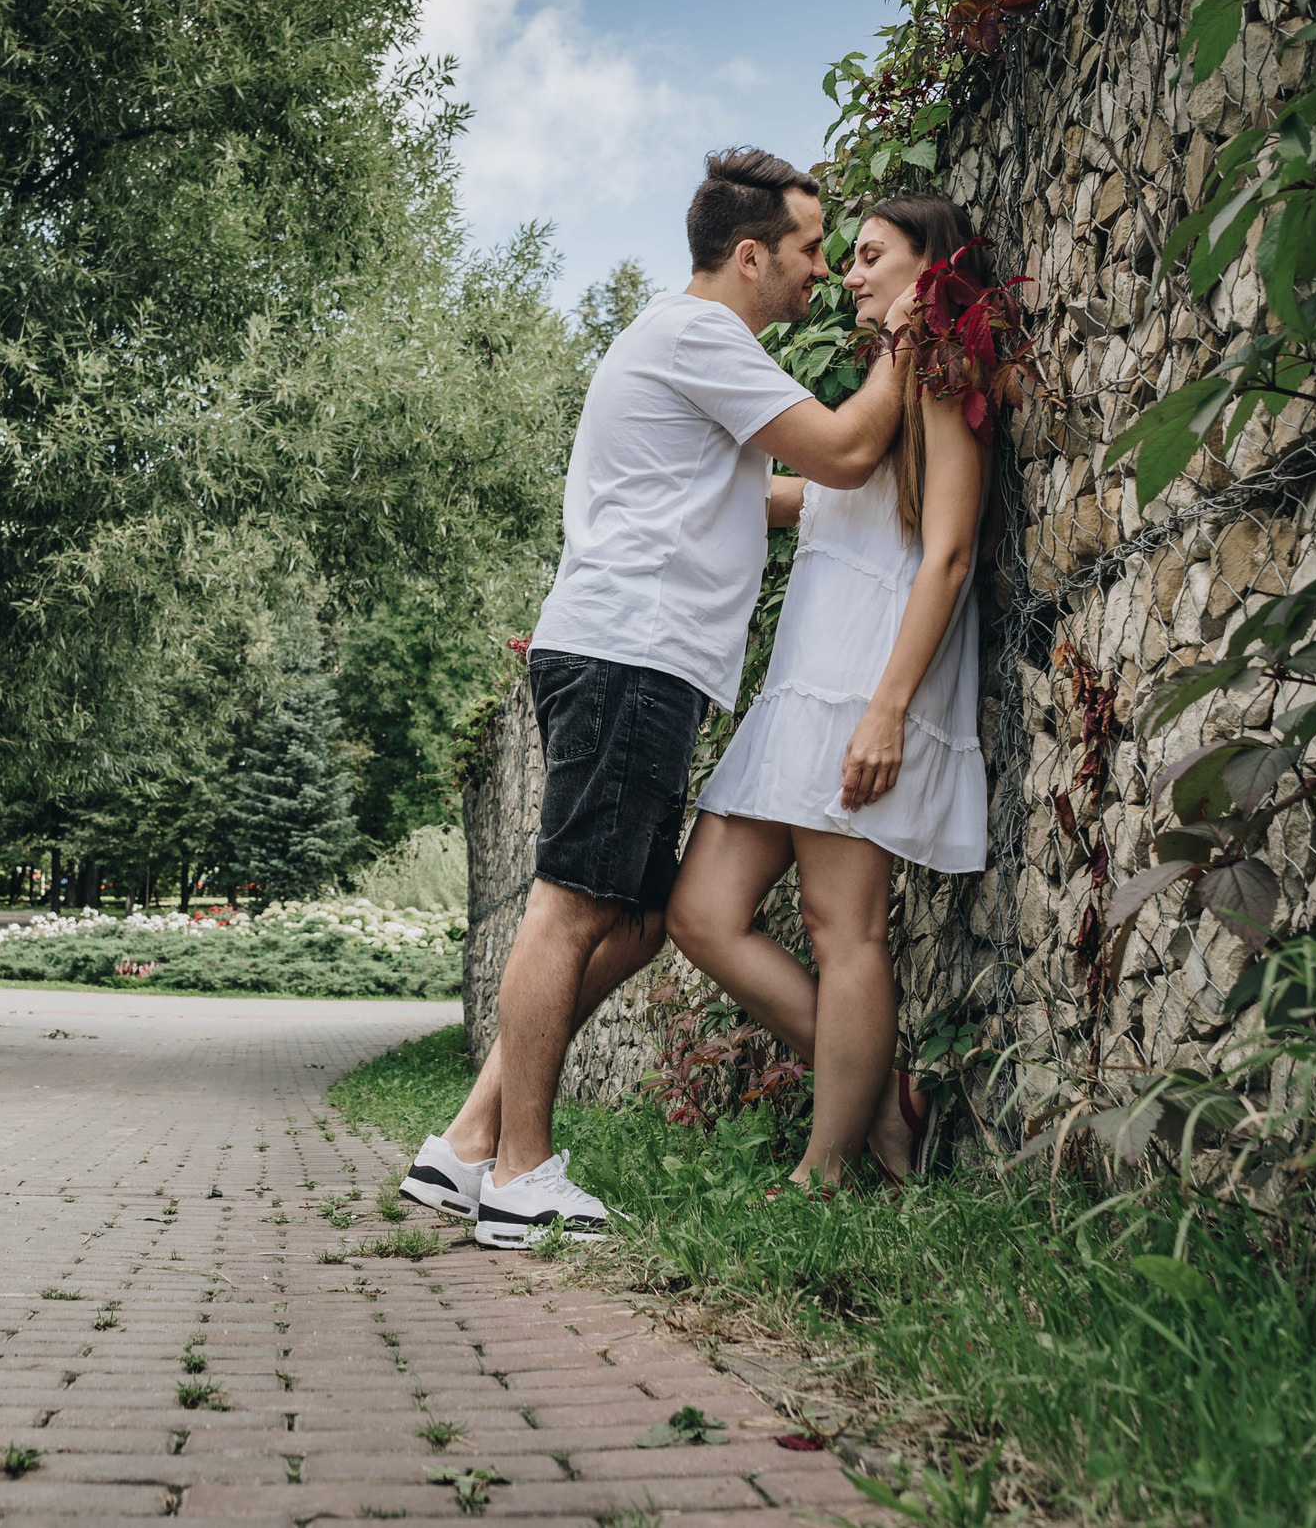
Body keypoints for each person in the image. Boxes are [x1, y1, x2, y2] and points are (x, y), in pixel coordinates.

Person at [395, 148, 916, 1249]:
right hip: (632, 656)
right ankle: (524, 1175)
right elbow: (845, 450)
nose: (823, 273)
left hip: (637, 656)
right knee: (573, 907)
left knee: (633, 921)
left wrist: (841, 511)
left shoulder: (680, 346)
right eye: (812, 251)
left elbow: (759, 497)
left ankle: (469, 1141)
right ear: (748, 256)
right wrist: (908, 342)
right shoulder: (703, 338)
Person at [665, 195, 996, 1195]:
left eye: (870, 257)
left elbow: (947, 553)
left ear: (929, 268)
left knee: (838, 927)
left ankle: (825, 1164)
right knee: (702, 913)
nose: (848, 277)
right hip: (801, 687)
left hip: (863, 685)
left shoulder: (939, 372)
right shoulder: (879, 390)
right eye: (844, 259)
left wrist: (888, 708)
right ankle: (880, 1091)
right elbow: (812, 494)